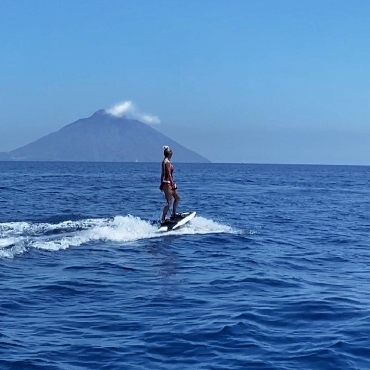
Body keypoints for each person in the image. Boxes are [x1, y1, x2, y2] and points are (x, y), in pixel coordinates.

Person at [159, 145, 180, 223]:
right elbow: (168, 174)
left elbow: (162, 174)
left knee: (177, 198)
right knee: (169, 202)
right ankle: (163, 219)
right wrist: (172, 184)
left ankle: (174, 213)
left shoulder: (164, 161)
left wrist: (161, 183)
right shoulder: (167, 162)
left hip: (166, 183)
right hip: (168, 183)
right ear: (169, 154)